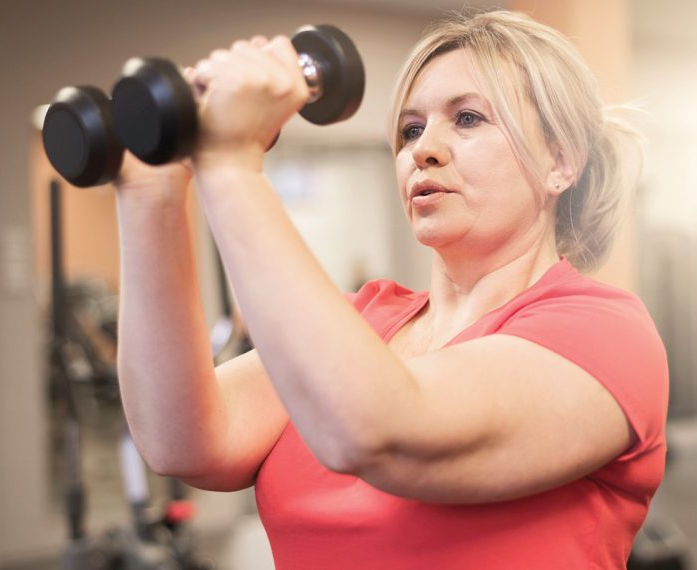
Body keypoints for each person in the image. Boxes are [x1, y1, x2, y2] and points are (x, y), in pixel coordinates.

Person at [114, 9, 668, 569]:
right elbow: (180, 440)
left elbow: (379, 432)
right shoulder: (363, 322)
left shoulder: (605, 334)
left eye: (469, 119)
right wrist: (150, 193)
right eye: (410, 129)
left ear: (560, 162)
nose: (424, 148)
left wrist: (232, 163)